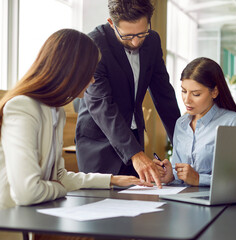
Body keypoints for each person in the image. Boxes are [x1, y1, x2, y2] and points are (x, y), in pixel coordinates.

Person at [0, 29, 152, 213]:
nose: (92, 80)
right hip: (7, 222)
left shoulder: (55, 111)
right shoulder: (23, 107)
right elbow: (27, 192)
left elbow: (59, 176)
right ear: (71, 71)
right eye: (90, 72)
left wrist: (110, 180)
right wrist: (60, 188)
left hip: (34, 215)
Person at [75, 0, 180, 188]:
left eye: (142, 33)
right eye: (128, 36)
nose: (136, 41)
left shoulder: (153, 41)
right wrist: (135, 154)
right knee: (99, 207)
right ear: (110, 23)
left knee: (134, 205)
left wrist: (181, 145)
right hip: (99, 141)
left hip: (134, 137)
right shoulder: (94, 44)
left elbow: (165, 96)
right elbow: (101, 105)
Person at [153, 57, 236, 186]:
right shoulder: (181, 124)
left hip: (216, 202)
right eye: (184, 91)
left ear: (214, 92)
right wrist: (170, 176)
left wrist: (198, 179)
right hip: (183, 200)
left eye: (196, 94)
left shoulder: (232, 123)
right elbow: (179, 172)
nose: (186, 100)